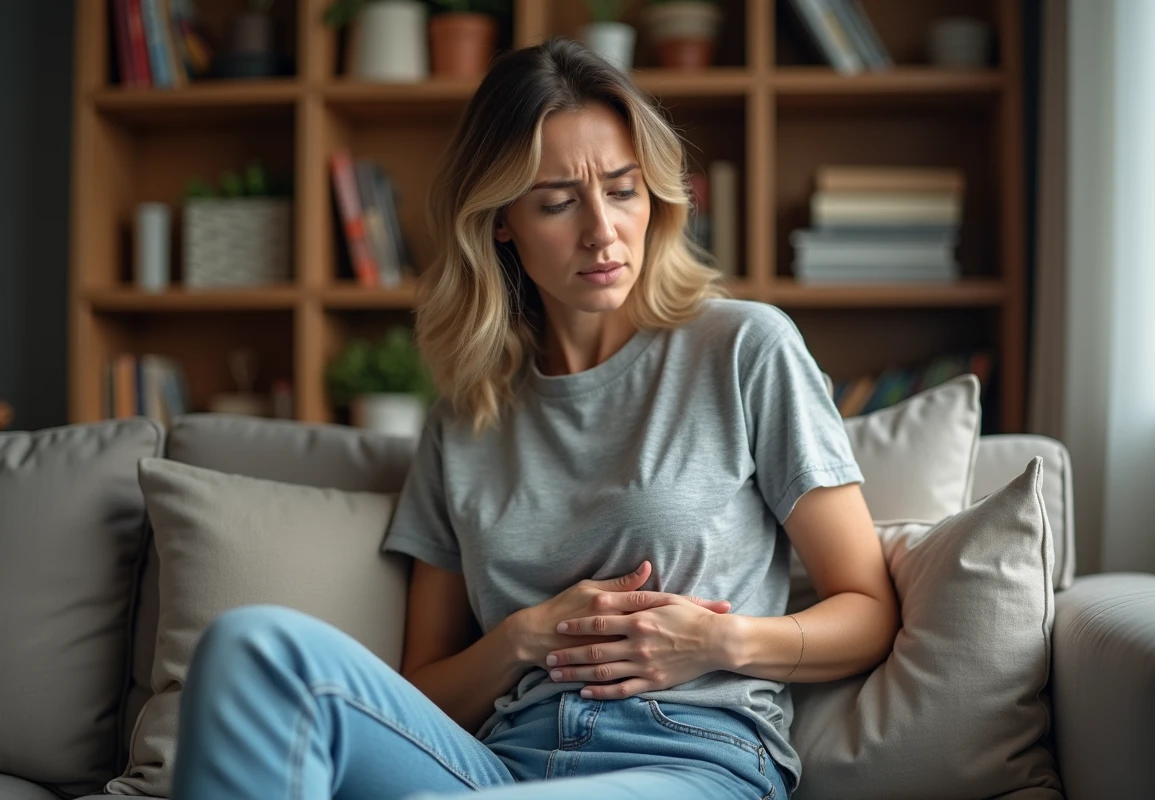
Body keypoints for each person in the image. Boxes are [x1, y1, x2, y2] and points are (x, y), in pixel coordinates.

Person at [171, 38, 899, 800]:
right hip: (496, 764)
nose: (601, 230)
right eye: (557, 202)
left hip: (689, 757)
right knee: (249, 646)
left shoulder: (745, 347)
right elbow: (427, 690)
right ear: (501, 223)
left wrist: (723, 639)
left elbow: (870, 611)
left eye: (623, 190)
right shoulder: (467, 415)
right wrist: (523, 637)